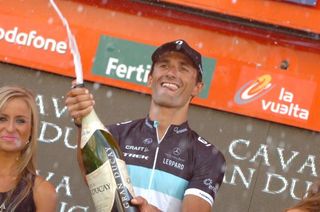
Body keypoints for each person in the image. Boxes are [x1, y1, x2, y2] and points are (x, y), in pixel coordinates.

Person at [66, 39, 226, 211]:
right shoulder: (114, 135)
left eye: (183, 68)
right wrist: (83, 119)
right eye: (164, 65)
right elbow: (96, 183)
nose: (171, 73)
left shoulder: (208, 156)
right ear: (150, 79)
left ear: (197, 88)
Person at [0, 86, 57, 212]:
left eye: (20, 121)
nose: (10, 128)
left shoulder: (42, 192)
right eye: (2, 119)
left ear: (31, 129)